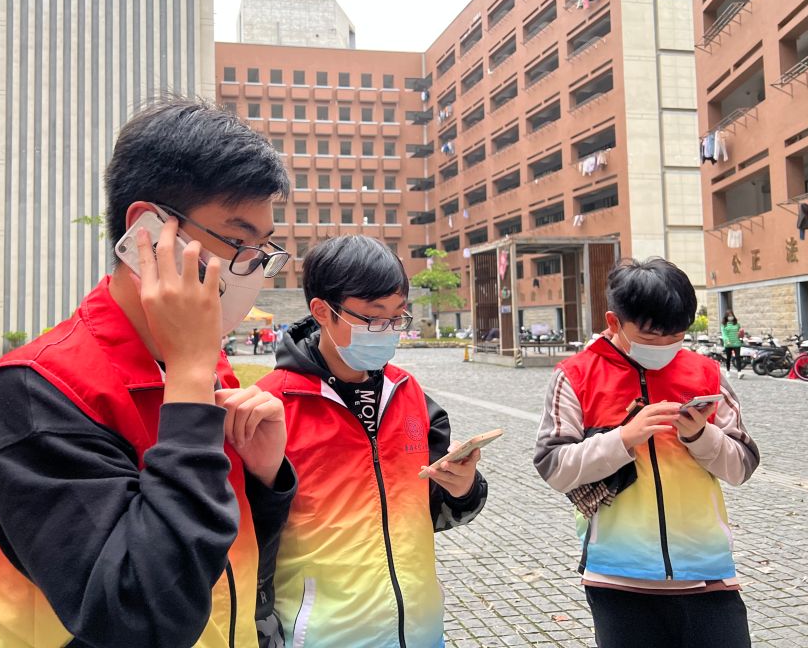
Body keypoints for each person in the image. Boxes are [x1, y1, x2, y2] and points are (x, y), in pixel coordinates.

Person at [0, 100, 297, 647]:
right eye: (238, 242)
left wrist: (265, 479)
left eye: (262, 249)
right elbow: (136, 612)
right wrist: (189, 380)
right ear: (149, 230)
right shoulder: (35, 390)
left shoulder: (202, 364)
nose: (252, 268)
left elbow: (223, 555)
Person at [255, 236, 488, 647]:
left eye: (398, 317)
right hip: (322, 638)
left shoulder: (408, 392)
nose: (388, 332)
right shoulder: (271, 408)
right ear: (322, 311)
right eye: (374, 318)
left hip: (421, 633)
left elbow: (436, 511)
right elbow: (249, 543)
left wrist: (463, 488)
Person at [534, 258, 760, 648]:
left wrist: (700, 435)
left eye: (677, 335)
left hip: (706, 572)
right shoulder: (575, 375)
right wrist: (624, 439)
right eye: (652, 337)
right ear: (614, 322)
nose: (666, 347)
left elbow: (742, 466)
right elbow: (553, 467)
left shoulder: (706, 373)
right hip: (617, 577)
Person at [721, 310, 745, 379]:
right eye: (729, 316)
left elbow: (740, 334)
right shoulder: (724, 325)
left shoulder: (737, 324)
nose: (730, 317)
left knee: (738, 357)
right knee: (728, 358)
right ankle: (728, 371)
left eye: (731, 315)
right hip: (728, 344)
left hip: (736, 342)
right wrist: (727, 340)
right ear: (726, 317)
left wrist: (741, 333)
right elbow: (724, 334)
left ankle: (739, 372)